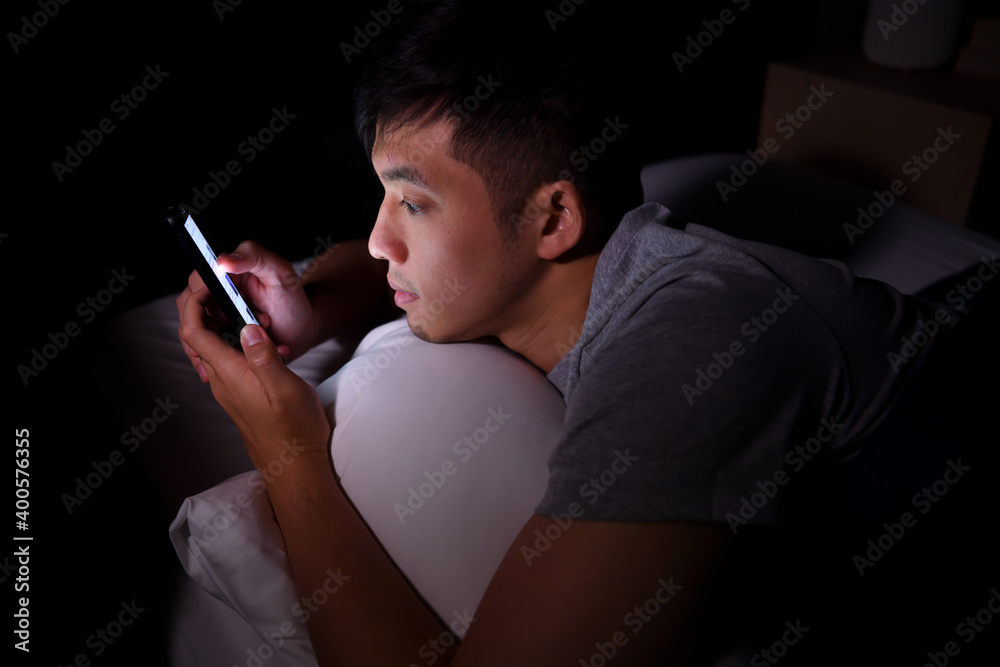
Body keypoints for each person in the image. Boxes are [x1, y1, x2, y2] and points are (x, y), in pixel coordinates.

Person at [175, 2, 968, 663]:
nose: (381, 241)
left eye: (412, 204)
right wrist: (311, 303)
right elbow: (392, 261)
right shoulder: (565, 275)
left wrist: (289, 455)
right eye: (385, 197)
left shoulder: (689, 351)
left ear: (555, 217)